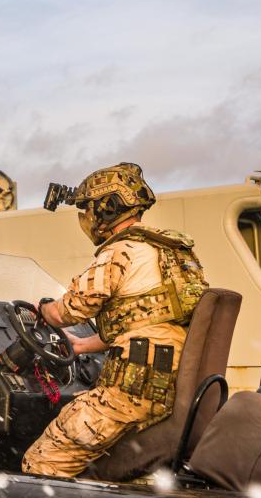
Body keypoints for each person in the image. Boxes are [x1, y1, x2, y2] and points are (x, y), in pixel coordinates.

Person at [22, 163, 209, 478]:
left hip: (132, 390)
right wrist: (83, 345)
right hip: (167, 385)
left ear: (107, 209)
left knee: (43, 462)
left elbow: (69, 311)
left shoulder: (121, 251)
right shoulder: (170, 253)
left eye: (89, 210)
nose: (87, 219)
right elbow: (148, 319)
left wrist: (41, 310)